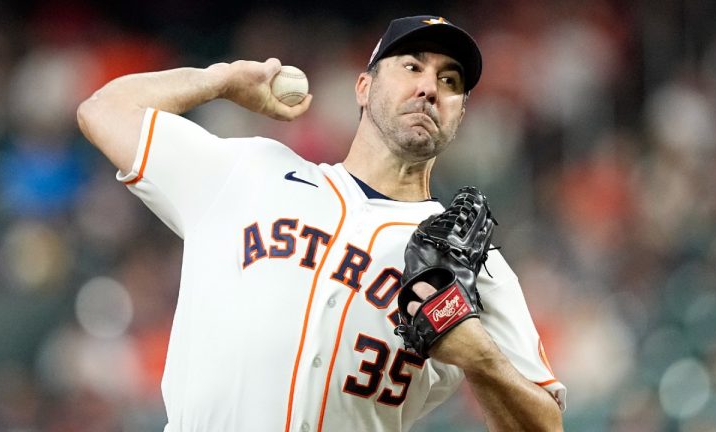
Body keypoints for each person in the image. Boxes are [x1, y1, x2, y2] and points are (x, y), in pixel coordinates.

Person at [77, 15, 566, 432]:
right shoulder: (248, 172)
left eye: (450, 81)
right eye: (412, 66)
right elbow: (104, 110)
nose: (428, 88)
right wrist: (221, 80)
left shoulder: (473, 263)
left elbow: (545, 422)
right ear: (364, 86)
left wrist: (480, 358)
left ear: (460, 114)